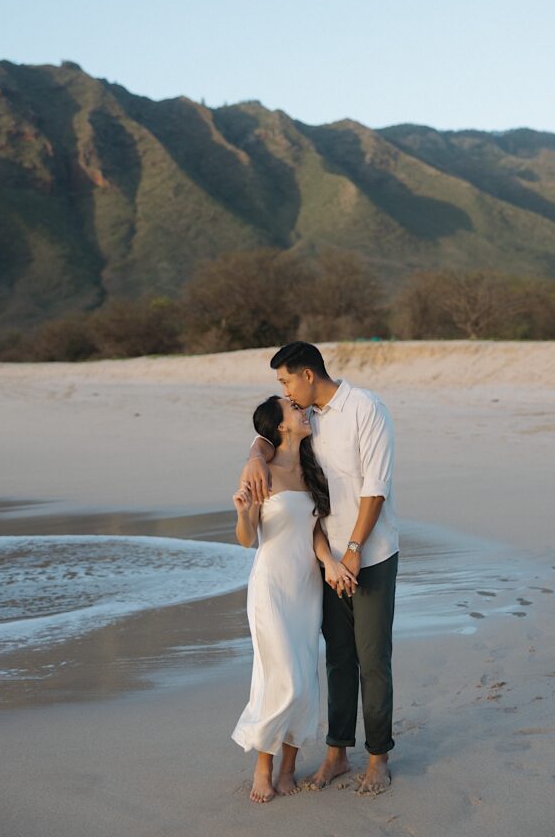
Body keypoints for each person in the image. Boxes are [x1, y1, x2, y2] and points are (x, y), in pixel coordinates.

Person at [241, 342, 399, 796]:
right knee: (337, 660)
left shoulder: (365, 408)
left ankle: (378, 757)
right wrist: (255, 452)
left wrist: (352, 549)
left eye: (287, 381)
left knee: (372, 659)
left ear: (308, 375)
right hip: (323, 563)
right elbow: (269, 439)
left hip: (371, 553)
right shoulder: (305, 422)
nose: (286, 392)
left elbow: (376, 489)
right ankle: (337, 753)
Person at [232, 394, 358, 804]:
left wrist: (330, 563)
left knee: (303, 680)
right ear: (281, 426)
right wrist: (242, 512)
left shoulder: (310, 468)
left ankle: (288, 767)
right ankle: (263, 767)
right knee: (281, 676)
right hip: (271, 586)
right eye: (293, 409)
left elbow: (314, 531)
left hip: (306, 587)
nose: (302, 410)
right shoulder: (260, 471)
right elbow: (248, 538)